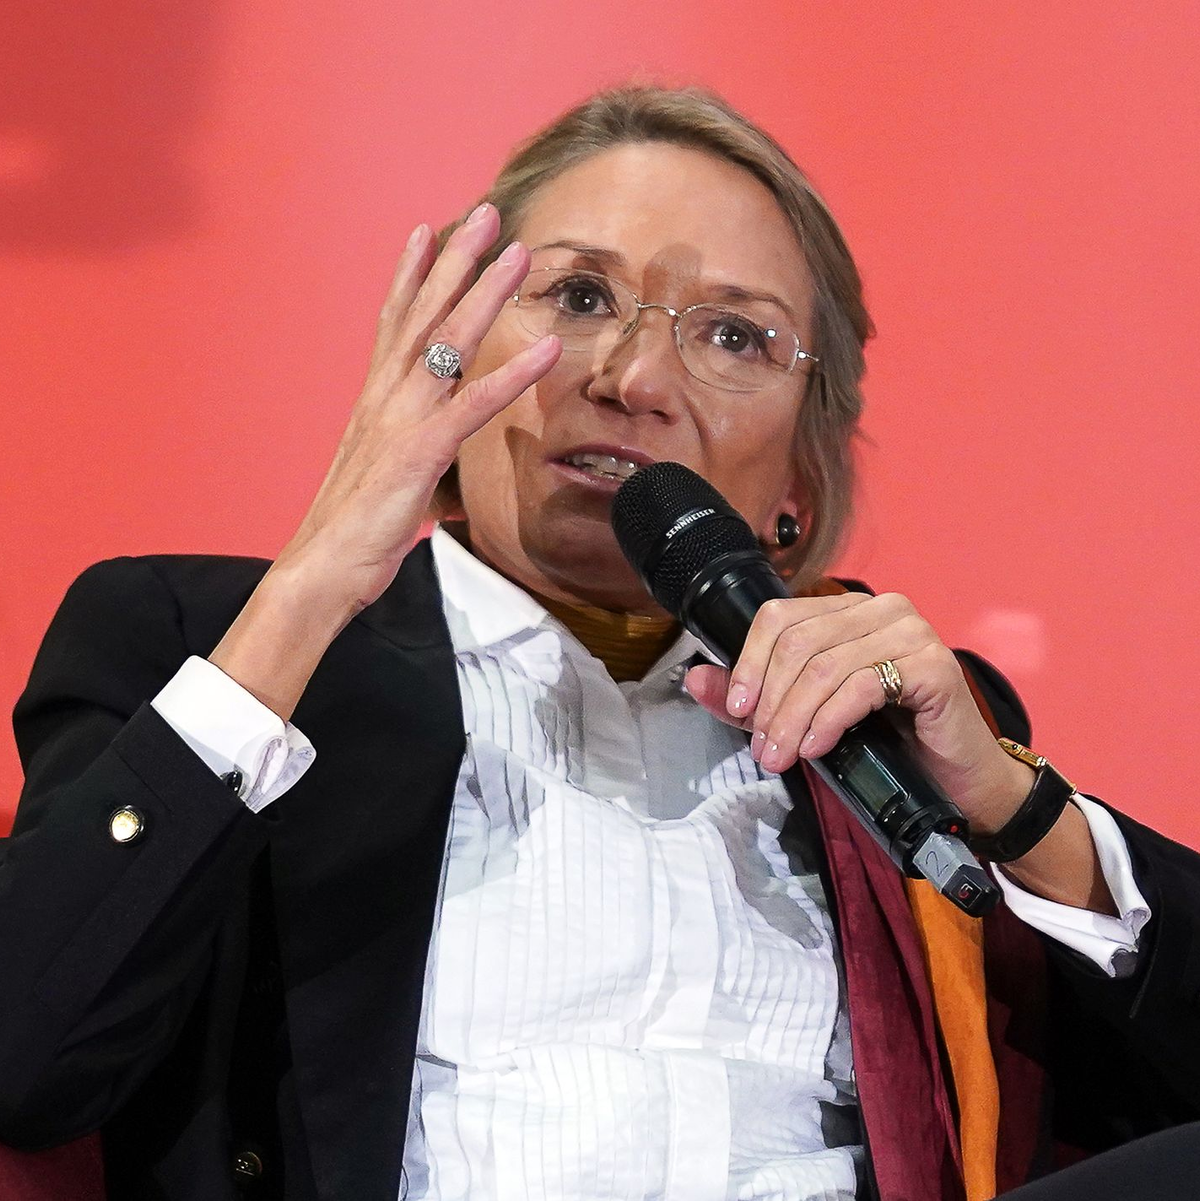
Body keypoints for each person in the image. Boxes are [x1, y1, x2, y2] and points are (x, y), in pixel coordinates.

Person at [1, 85, 1198, 1201]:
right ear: (445, 350)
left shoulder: (893, 727)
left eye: (735, 336)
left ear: (799, 471)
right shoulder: (206, 643)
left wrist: (1016, 810)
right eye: (578, 298)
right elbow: (25, 1057)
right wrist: (309, 591)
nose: (634, 379)